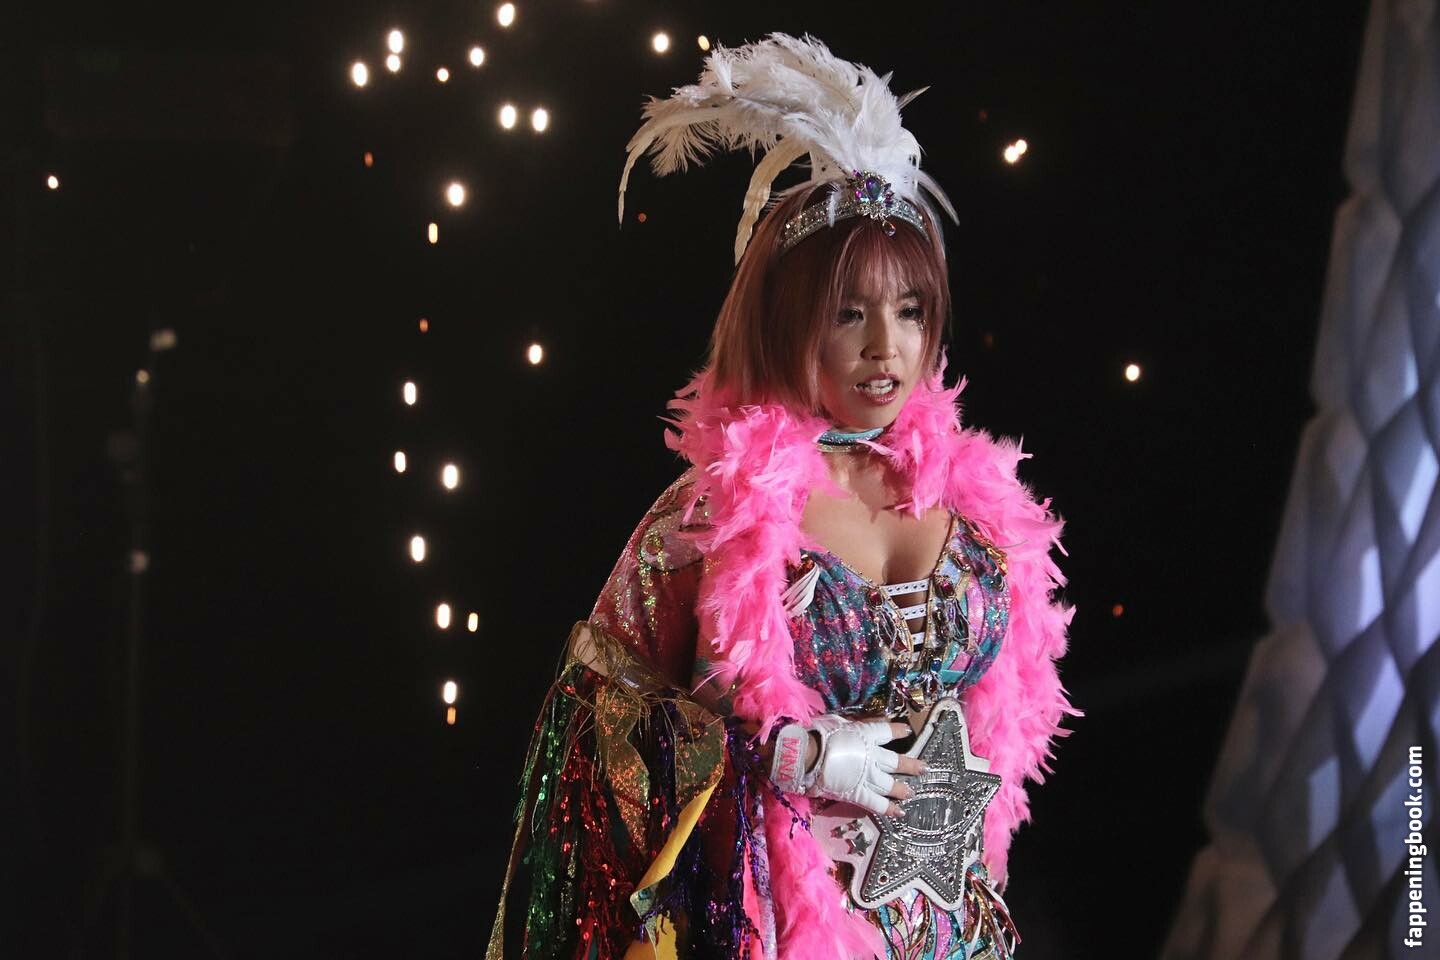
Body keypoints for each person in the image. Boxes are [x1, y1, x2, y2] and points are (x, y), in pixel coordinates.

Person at [486, 34, 1075, 960]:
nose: (886, 346)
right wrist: (789, 753)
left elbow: (1012, 713)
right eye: (849, 313)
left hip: (957, 930)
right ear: (788, 320)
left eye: (910, 310)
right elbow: (594, 725)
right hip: (786, 927)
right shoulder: (712, 513)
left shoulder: (978, 501)